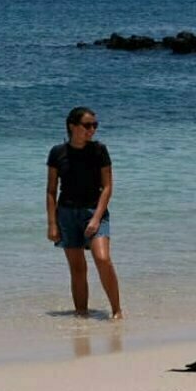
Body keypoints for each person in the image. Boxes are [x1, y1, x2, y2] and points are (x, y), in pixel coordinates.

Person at [46, 106, 123, 320]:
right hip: (67, 213)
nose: (92, 130)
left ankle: (117, 311)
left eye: (95, 125)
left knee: (103, 259)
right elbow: (51, 190)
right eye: (87, 125)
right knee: (77, 268)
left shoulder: (99, 151)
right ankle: (81, 314)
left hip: (94, 210)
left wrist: (97, 218)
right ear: (73, 126)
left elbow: (107, 187)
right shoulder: (57, 153)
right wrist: (52, 223)